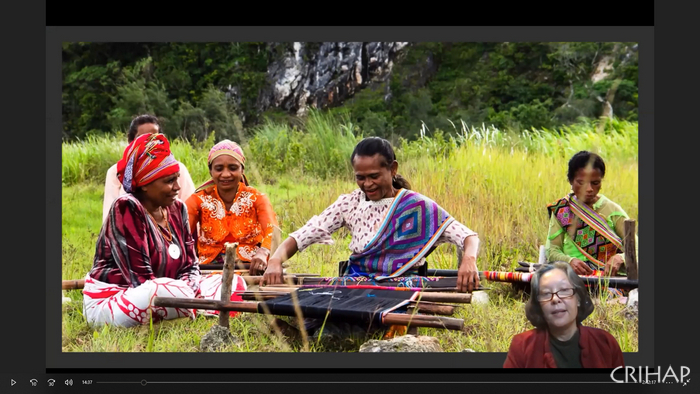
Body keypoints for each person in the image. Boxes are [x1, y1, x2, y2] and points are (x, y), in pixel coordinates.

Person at [261, 136, 480, 339]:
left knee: (370, 311)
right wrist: (275, 260)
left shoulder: (418, 206)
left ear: (392, 169)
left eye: (374, 176)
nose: (367, 184)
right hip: (354, 283)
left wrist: (469, 260)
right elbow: (304, 234)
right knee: (330, 300)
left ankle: (316, 333)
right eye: (360, 178)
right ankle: (322, 330)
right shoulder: (350, 203)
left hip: (398, 287)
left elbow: (468, 236)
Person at [83, 133, 247, 327]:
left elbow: (190, 265)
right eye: (169, 181)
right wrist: (185, 292)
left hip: (173, 290)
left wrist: (190, 288)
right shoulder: (126, 207)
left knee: (231, 284)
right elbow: (140, 280)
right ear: (145, 184)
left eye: (177, 178)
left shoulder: (178, 209)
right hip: (119, 297)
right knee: (158, 291)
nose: (177, 187)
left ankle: (191, 308)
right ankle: (200, 308)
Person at [503, 262, 625, 368]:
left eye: (564, 291)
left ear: (578, 298)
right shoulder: (522, 346)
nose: (555, 299)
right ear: (538, 304)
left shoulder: (605, 343)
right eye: (546, 293)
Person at [185, 139, 278, 275]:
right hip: (208, 270)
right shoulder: (198, 199)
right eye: (219, 169)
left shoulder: (256, 198)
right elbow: (181, 233)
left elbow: (273, 231)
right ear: (210, 171)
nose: (226, 174)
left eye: (233, 168)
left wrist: (263, 252)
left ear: (242, 169)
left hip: (250, 268)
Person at [545, 151, 638, 278]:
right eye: (581, 183)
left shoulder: (613, 211)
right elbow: (552, 250)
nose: (589, 189)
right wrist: (569, 261)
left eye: (595, 183)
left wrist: (620, 257)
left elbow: (636, 247)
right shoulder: (562, 209)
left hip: (608, 278)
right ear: (571, 181)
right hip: (572, 275)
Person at [102, 114, 195, 223]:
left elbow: (190, 208)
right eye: (143, 138)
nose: (150, 143)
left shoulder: (177, 169)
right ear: (130, 141)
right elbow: (110, 214)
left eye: (154, 137)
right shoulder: (116, 172)